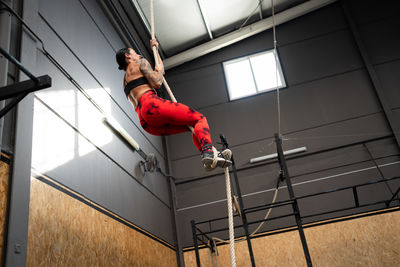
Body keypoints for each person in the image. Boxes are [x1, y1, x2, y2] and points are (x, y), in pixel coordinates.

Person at [115, 39, 231, 170]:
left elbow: (156, 76)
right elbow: (157, 82)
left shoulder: (124, 81)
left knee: (191, 126)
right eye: (135, 52)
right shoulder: (140, 62)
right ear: (128, 55)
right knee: (199, 119)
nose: (139, 54)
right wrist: (156, 59)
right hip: (152, 105)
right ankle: (208, 151)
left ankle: (209, 156)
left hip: (146, 123)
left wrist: (156, 52)